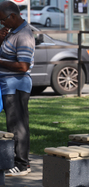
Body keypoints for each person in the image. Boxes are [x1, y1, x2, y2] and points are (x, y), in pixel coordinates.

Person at [0, 1, 35, 176]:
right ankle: (14, 159)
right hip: (8, 85)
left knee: (18, 124)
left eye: (3, 19)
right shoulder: (12, 32)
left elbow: (23, 66)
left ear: (13, 16)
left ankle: (22, 164)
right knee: (11, 123)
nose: (2, 23)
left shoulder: (24, 35)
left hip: (17, 85)